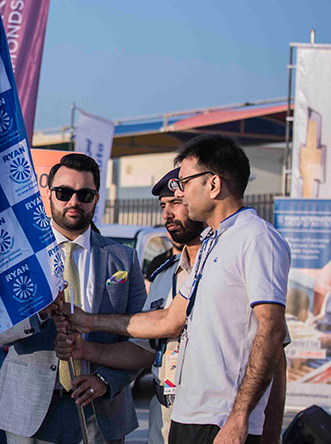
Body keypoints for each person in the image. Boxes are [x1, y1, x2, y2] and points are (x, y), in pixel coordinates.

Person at [60, 135, 290, 444]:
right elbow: (168, 320)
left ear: (214, 185)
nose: (179, 192)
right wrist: (88, 320)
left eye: (184, 182)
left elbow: (272, 333)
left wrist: (240, 417)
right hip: (187, 416)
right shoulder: (212, 244)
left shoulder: (256, 239)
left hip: (223, 421)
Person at [0, 153, 147, 444]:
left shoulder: (123, 258)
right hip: (28, 411)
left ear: (96, 198)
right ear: (50, 194)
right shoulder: (17, 256)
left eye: (84, 194)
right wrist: (39, 313)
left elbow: (141, 339)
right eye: (64, 192)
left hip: (102, 409)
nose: (73, 202)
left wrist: (106, 381)